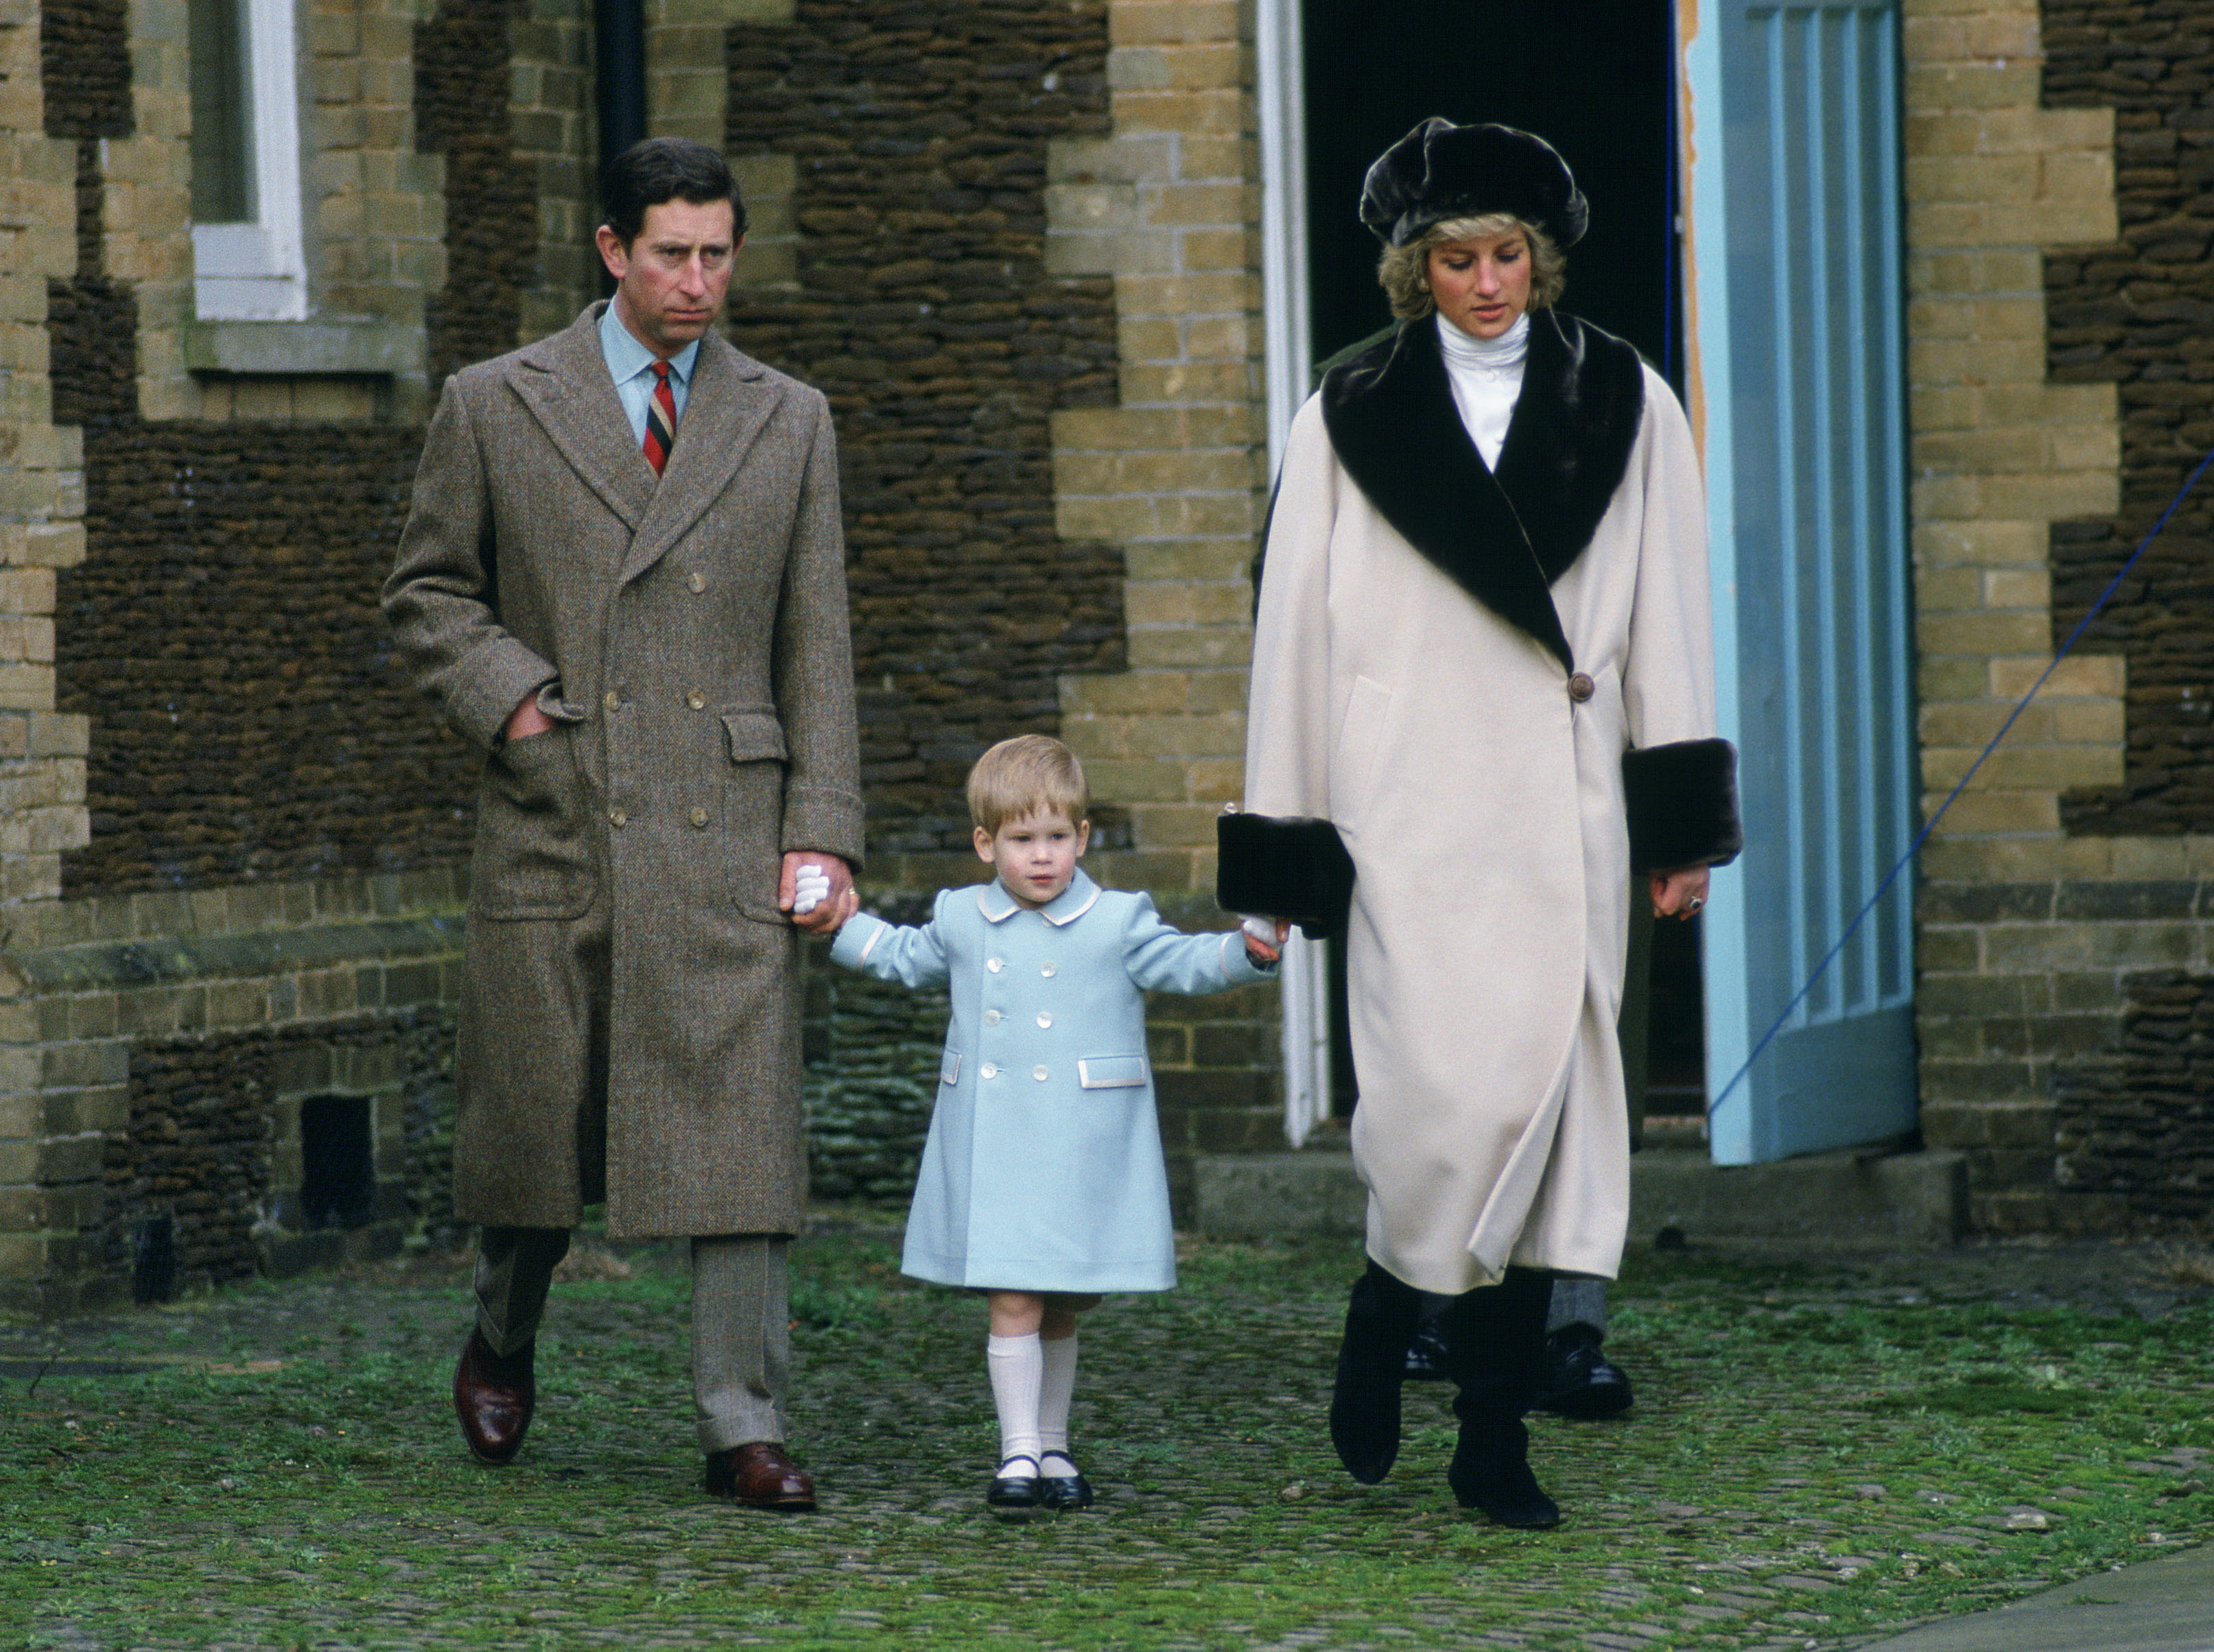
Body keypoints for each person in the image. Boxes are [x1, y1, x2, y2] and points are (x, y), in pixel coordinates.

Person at [1239, 119, 1740, 1527]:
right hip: (1409, 807)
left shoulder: (1628, 401)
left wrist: (1674, 823)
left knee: (1560, 1127)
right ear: (1413, 268)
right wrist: (1280, 849)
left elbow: (1664, 624)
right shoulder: (1340, 413)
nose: (1483, 281)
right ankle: (1382, 1295)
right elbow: (1289, 636)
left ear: (1542, 258)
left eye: (1506, 254)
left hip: (1564, 807)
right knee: (1430, 1110)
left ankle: (1490, 1440)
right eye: (1453, 257)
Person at [382, 137, 862, 1511]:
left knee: (736, 1134)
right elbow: (424, 597)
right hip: (561, 810)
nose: (699, 281)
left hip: (727, 821)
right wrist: (518, 709)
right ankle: (502, 1328)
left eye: (719, 253)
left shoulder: (789, 418)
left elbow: (814, 639)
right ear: (611, 251)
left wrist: (821, 825)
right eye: (672, 254)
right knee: (538, 1131)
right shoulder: (493, 403)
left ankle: (740, 1419)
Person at [822, 736, 1281, 1511]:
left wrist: (1249, 951)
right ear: (985, 843)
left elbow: (1183, 961)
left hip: (1082, 1141)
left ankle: (1055, 1445)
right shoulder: (962, 915)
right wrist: (835, 924)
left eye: (1057, 837)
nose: (1042, 857)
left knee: (1064, 1302)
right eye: (1021, 839)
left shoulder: (1117, 917)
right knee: (1015, 1300)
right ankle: (1017, 1455)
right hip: (997, 1138)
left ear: (1083, 836)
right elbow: (903, 954)